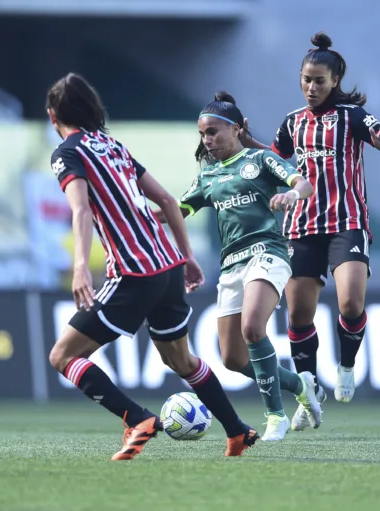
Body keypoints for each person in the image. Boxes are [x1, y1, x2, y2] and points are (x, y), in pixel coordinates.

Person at [45, 73, 258, 460]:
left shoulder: (68, 152)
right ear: (93, 108)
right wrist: (187, 255)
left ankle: (137, 418)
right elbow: (168, 201)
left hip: (133, 271)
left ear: (52, 116)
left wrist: (79, 266)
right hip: (168, 265)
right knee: (181, 360)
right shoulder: (113, 146)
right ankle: (237, 431)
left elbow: (80, 209)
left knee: (62, 356)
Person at [243, 32, 380, 431]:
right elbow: (275, 160)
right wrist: (249, 142)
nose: (311, 87)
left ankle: (346, 366)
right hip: (302, 225)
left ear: (335, 80)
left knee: (351, 303)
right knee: (299, 315)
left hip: (347, 221)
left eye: (319, 80)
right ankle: (309, 390)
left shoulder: (351, 116)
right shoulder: (292, 122)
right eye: (305, 79)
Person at [160, 92, 323, 441]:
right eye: (203, 134)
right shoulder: (207, 178)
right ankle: (300, 385)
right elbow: (177, 212)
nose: (208, 140)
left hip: (268, 250)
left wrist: (290, 195)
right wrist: (135, 213)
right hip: (231, 264)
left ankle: (275, 416)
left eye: (214, 132)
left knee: (253, 328)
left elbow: (304, 183)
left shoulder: (261, 160)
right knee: (232, 358)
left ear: (235, 129)